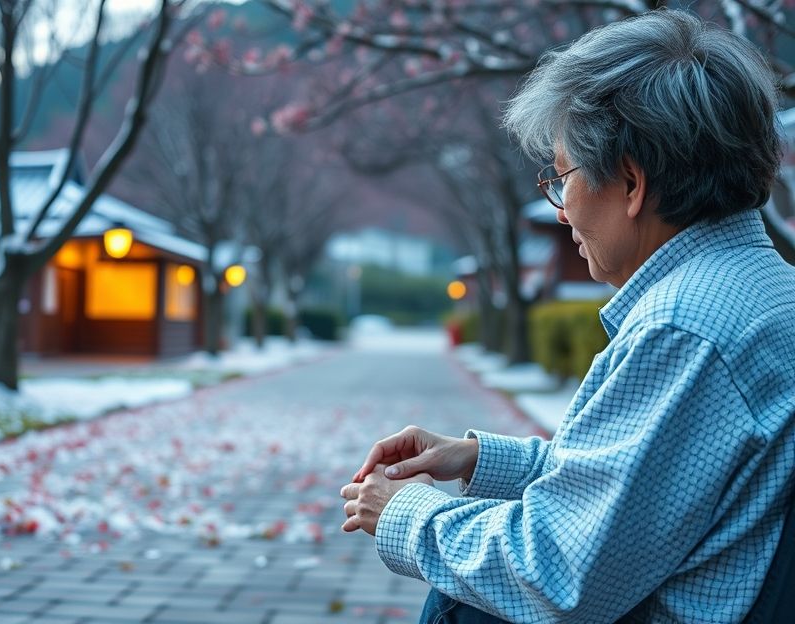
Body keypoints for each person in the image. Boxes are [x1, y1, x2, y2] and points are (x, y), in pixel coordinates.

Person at [339, 9, 795, 623]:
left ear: (631, 182)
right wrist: (476, 458)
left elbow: (555, 575)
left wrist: (406, 514)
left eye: (561, 176)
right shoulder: (763, 290)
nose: (560, 210)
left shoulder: (683, 330)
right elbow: (641, 486)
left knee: (467, 598)